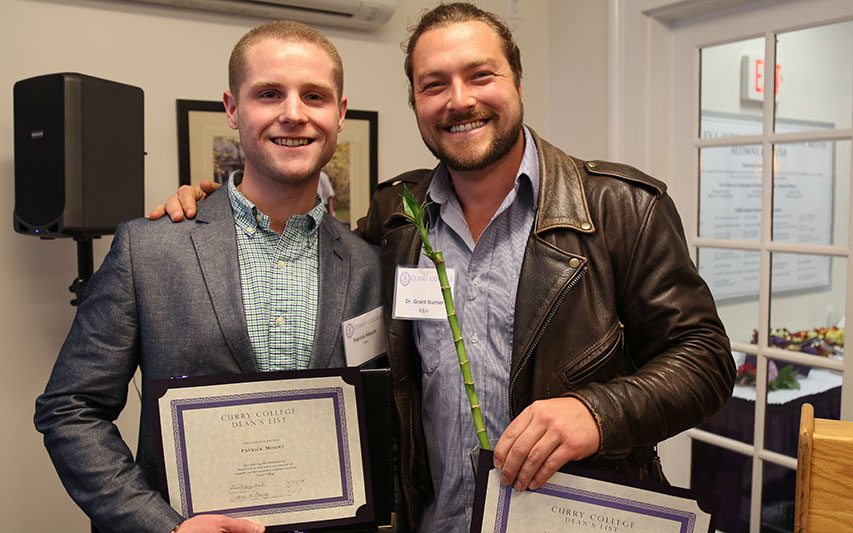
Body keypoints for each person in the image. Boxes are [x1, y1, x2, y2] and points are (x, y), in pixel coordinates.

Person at [153, 4, 735, 531]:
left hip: (571, 518)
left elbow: (706, 360)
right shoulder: (394, 218)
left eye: (481, 75)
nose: (459, 100)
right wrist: (211, 208)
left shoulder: (621, 208)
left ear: (518, 83)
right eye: (435, 85)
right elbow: (301, 240)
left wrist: (596, 411)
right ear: (416, 102)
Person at [35, 20, 382, 533]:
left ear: (340, 113)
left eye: (314, 95)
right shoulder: (148, 249)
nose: (294, 113)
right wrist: (161, 526)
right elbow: (71, 408)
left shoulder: (370, 265)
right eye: (269, 93)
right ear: (233, 109)